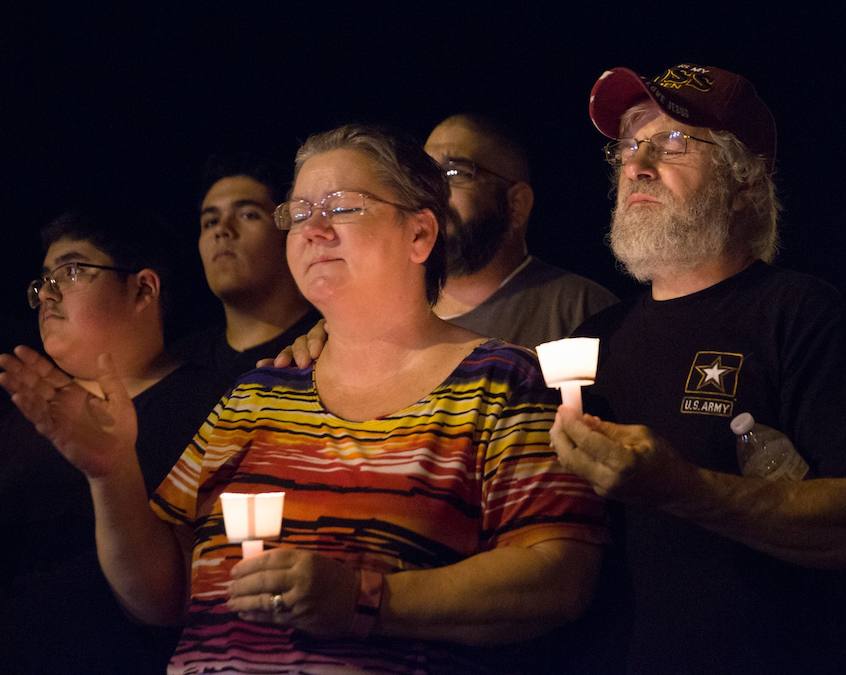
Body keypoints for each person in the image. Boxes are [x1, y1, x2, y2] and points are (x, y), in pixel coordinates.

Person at [0, 126, 606, 674]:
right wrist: (111, 474)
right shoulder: (255, 396)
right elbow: (158, 599)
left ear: (420, 232)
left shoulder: (502, 380)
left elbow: (558, 574)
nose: (313, 229)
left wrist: (366, 598)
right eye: (299, 212)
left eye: (341, 207)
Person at [545, 63, 846, 673]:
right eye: (629, 145)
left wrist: (683, 487)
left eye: (674, 142)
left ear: (745, 181)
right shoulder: (593, 339)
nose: (637, 164)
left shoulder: (797, 311)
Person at [0, 207, 229, 674]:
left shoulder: (215, 404)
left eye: (71, 270)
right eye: (42, 281)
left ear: (143, 287)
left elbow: (184, 594)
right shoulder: (23, 414)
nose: (48, 293)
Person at [421, 114, 617, 347]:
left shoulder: (579, 310)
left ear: (517, 204)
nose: (432, 192)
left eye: (455, 173)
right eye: (424, 176)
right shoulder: (391, 311)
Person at [172, 153, 321, 380]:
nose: (222, 230)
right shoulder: (178, 366)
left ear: (290, 230)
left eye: (247, 215)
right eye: (210, 221)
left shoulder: (323, 346)